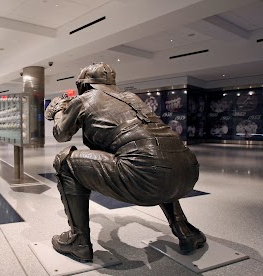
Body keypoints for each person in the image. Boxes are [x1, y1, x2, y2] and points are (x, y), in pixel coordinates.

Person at [44, 62, 206, 262]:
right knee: (160, 158)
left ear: (84, 85)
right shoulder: (131, 97)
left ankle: (78, 241)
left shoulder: (84, 99)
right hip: (188, 173)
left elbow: (61, 134)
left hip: (146, 178)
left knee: (64, 161)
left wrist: (59, 110)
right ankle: (184, 229)